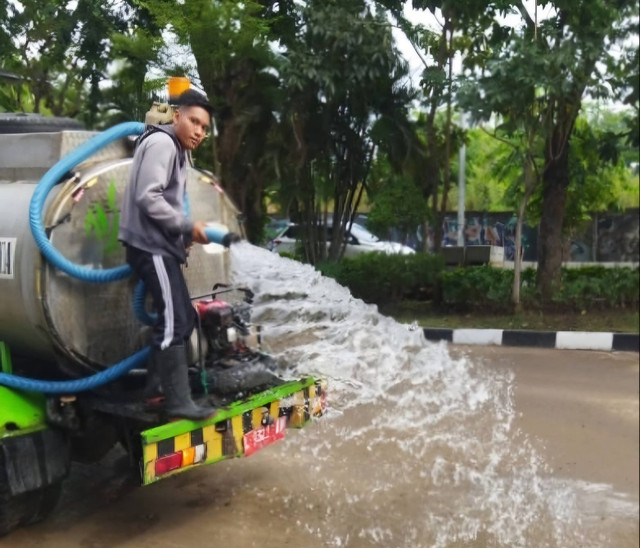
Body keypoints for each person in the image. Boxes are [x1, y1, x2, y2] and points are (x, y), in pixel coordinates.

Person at [119, 89, 218, 420]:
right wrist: (187, 226)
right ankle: (177, 402)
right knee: (175, 319)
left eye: (204, 128)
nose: (199, 132)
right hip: (151, 247)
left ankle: (156, 392)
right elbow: (149, 197)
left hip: (160, 245)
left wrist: (181, 235)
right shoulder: (162, 144)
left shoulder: (173, 147)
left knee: (184, 317)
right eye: (194, 122)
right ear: (177, 116)